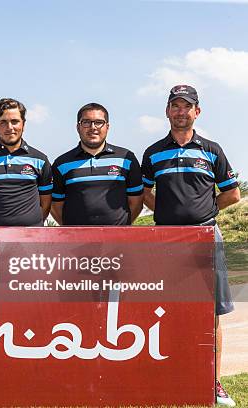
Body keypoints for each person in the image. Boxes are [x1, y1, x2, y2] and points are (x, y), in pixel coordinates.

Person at [141, 85, 241, 407]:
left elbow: (232, 193)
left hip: (206, 237)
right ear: (167, 111)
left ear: (197, 112)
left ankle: (214, 381)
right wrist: (168, 214)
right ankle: (171, 375)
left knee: (212, 313)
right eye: (175, 106)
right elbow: (144, 193)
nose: (181, 112)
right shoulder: (153, 152)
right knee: (167, 309)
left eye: (187, 106)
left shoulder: (212, 149)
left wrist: (203, 211)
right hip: (167, 241)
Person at [51, 103, 143, 225]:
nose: (93, 127)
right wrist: (71, 230)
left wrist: (122, 228)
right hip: (76, 240)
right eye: (86, 122)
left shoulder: (127, 159)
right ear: (78, 127)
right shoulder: (61, 163)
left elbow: (136, 202)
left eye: (99, 122)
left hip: (117, 240)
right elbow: (55, 206)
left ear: (107, 127)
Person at [0, 98, 52, 226]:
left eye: (15, 121)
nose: (10, 127)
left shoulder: (40, 160)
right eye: (3, 122)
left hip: (31, 238)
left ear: (23, 124)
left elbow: (46, 203)